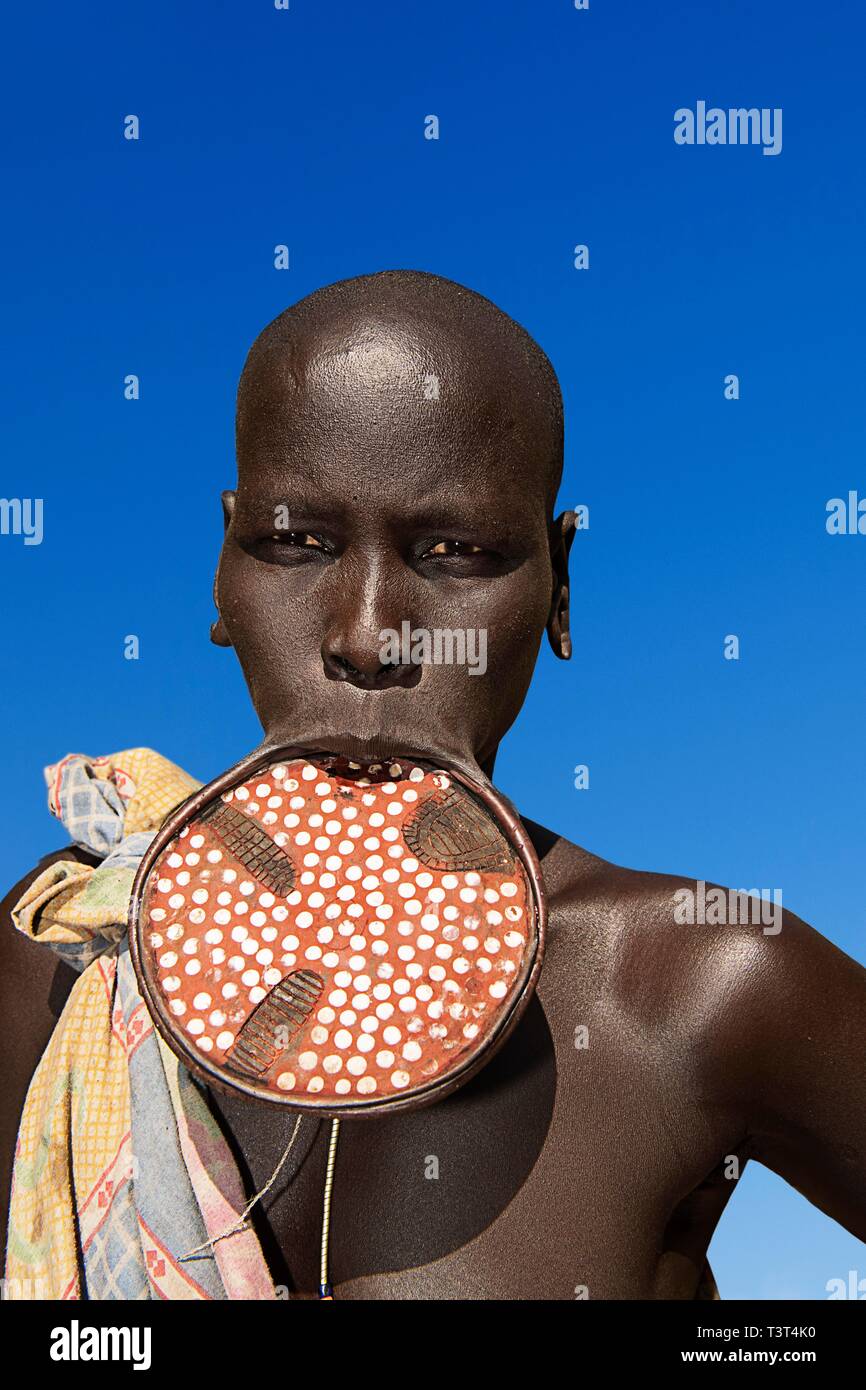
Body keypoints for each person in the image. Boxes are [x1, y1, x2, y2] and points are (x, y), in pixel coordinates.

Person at [3, 270, 865, 1299]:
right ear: (222, 572)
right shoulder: (58, 960)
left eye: (455, 553)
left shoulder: (699, 986)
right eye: (297, 544)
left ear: (557, 583)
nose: (367, 637)